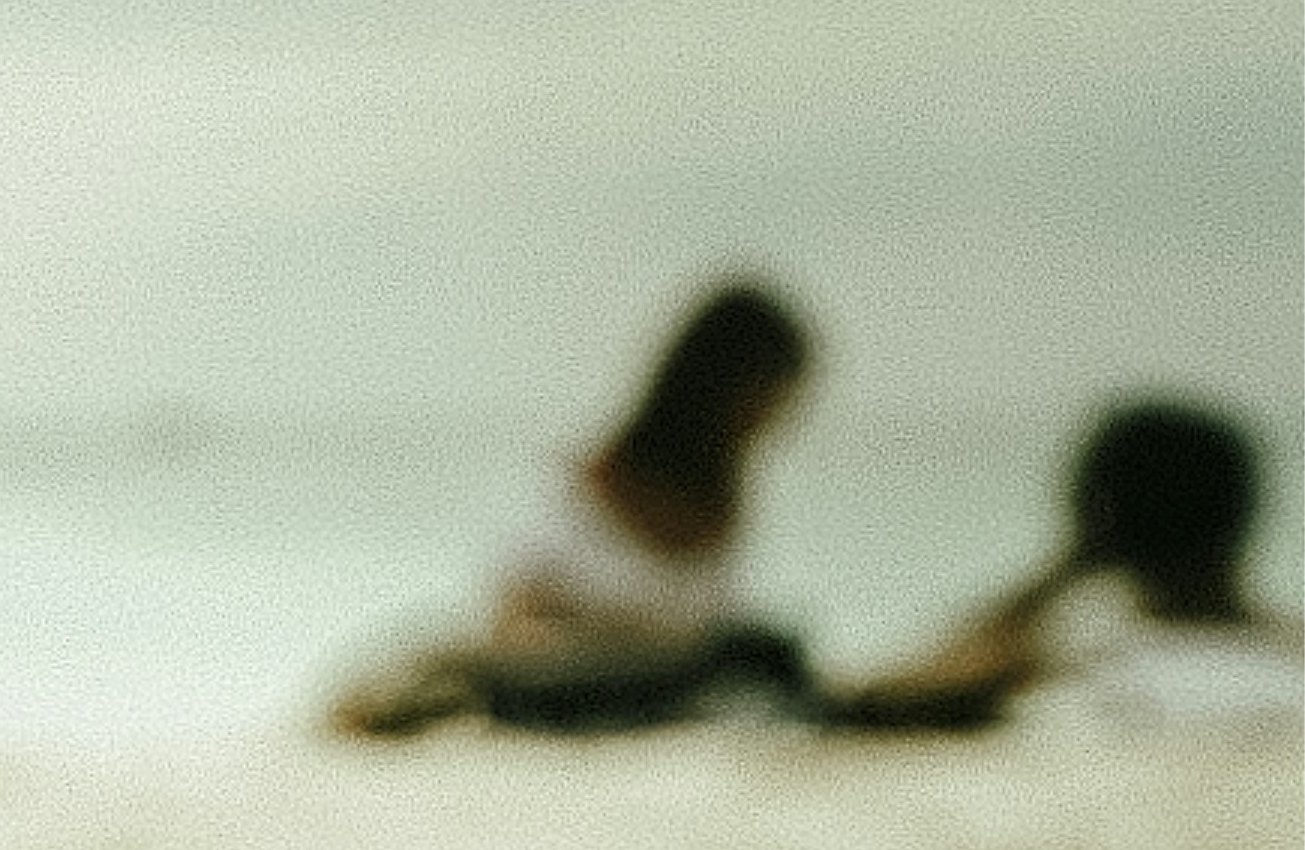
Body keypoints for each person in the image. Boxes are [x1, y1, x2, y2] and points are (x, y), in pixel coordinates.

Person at [333, 282, 820, 737]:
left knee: (762, 654)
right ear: (722, 388)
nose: (776, 419)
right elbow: (513, 623)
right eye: (770, 397)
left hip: (667, 693)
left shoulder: (727, 503)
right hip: (560, 681)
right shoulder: (583, 489)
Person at [825, 399, 1302, 734]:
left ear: (1094, 512)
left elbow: (884, 699)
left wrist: (1066, 567)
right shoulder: (1283, 650)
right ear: (1240, 516)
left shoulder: (1083, 653)